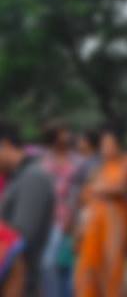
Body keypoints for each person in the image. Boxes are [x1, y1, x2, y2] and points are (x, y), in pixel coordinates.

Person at [74, 126, 127, 297]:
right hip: (93, 225)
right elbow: (85, 195)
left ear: (118, 145)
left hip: (115, 225)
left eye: (109, 144)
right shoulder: (99, 168)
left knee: (112, 266)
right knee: (90, 267)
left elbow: (120, 187)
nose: (106, 148)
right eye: (104, 144)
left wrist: (98, 189)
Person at [0, 119, 54, 295]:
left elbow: (21, 238)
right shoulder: (17, 177)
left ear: (5, 144)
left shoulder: (33, 178)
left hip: (21, 285)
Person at [40, 120, 79, 297]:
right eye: (63, 132)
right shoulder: (44, 160)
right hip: (51, 219)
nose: (67, 136)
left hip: (72, 219)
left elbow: (79, 190)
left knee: (69, 266)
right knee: (48, 264)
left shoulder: (76, 160)